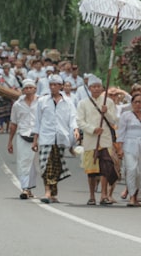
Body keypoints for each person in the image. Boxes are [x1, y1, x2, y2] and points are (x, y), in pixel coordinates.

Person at [31, 75, 80, 203]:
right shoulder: (42, 101)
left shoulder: (68, 102)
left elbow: (73, 118)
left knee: (56, 166)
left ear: (60, 86)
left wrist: (75, 130)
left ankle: (53, 193)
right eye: (51, 85)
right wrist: (35, 140)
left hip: (61, 137)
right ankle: (47, 192)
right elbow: (37, 121)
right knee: (46, 165)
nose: (52, 87)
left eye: (55, 85)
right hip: (46, 137)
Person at [76, 75, 119, 206]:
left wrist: (106, 112)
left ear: (102, 88)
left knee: (106, 167)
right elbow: (80, 121)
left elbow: (114, 120)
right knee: (92, 170)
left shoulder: (109, 102)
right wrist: (92, 129)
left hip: (105, 140)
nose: (96, 89)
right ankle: (92, 195)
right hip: (91, 140)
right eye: (93, 87)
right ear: (89, 88)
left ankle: (104, 195)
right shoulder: (83, 103)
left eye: (98, 86)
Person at [115, 89, 141, 208]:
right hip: (129, 146)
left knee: (140, 172)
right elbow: (121, 133)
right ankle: (131, 196)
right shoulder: (126, 115)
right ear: (131, 103)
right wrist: (119, 148)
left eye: (140, 102)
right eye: (135, 102)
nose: (138, 104)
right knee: (131, 169)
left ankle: (137, 196)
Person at [7, 79, 40, 198]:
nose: (28, 90)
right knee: (23, 162)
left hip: (38, 136)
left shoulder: (41, 102)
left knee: (36, 163)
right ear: (23, 90)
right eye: (26, 88)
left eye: (31, 87)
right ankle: (25, 188)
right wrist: (10, 141)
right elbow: (14, 123)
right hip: (23, 135)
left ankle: (30, 187)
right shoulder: (17, 105)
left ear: (35, 89)